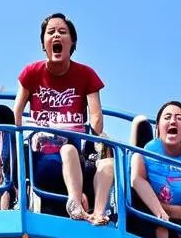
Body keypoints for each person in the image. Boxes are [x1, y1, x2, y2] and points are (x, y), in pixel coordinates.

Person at [12, 13, 113, 224]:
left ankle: (90, 210)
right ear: (43, 44)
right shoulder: (31, 72)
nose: (56, 35)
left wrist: (96, 135)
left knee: (96, 159)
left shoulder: (86, 74)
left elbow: (96, 118)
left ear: (72, 42)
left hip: (75, 157)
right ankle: (74, 204)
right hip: (41, 158)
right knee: (62, 150)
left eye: (62, 32)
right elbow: (17, 112)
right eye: (51, 32)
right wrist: (17, 143)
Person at [128, 100, 181, 238]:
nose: (173, 121)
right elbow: (137, 180)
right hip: (151, 210)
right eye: (167, 117)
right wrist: (164, 212)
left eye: (179, 118)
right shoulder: (150, 148)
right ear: (158, 126)